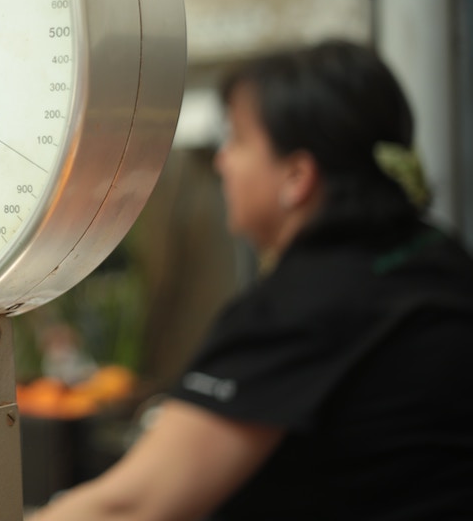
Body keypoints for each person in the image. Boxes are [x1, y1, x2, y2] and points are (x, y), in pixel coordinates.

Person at [30, 39, 473, 521]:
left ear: (297, 177)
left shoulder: (301, 309)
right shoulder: (438, 256)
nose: (223, 162)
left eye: (237, 141)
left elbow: (128, 508)